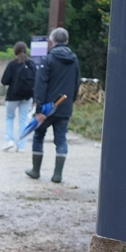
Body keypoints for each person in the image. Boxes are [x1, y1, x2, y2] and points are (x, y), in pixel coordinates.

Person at [26, 27, 81, 183]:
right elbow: (76, 83)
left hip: (47, 108)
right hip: (64, 106)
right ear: (67, 41)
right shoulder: (74, 59)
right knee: (61, 139)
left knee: (38, 136)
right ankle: (58, 175)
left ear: (51, 42)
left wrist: (39, 109)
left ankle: (35, 170)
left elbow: (40, 85)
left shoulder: (48, 59)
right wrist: (71, 101)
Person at [0, 42, 35, 152]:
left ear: (15, 51)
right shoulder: (31, 64)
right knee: (23, 120)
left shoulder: (12, 64)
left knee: (10, 117)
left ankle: (10, 140)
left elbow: (4, 81)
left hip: (12, 96)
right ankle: (21, 146)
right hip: (27, 97)